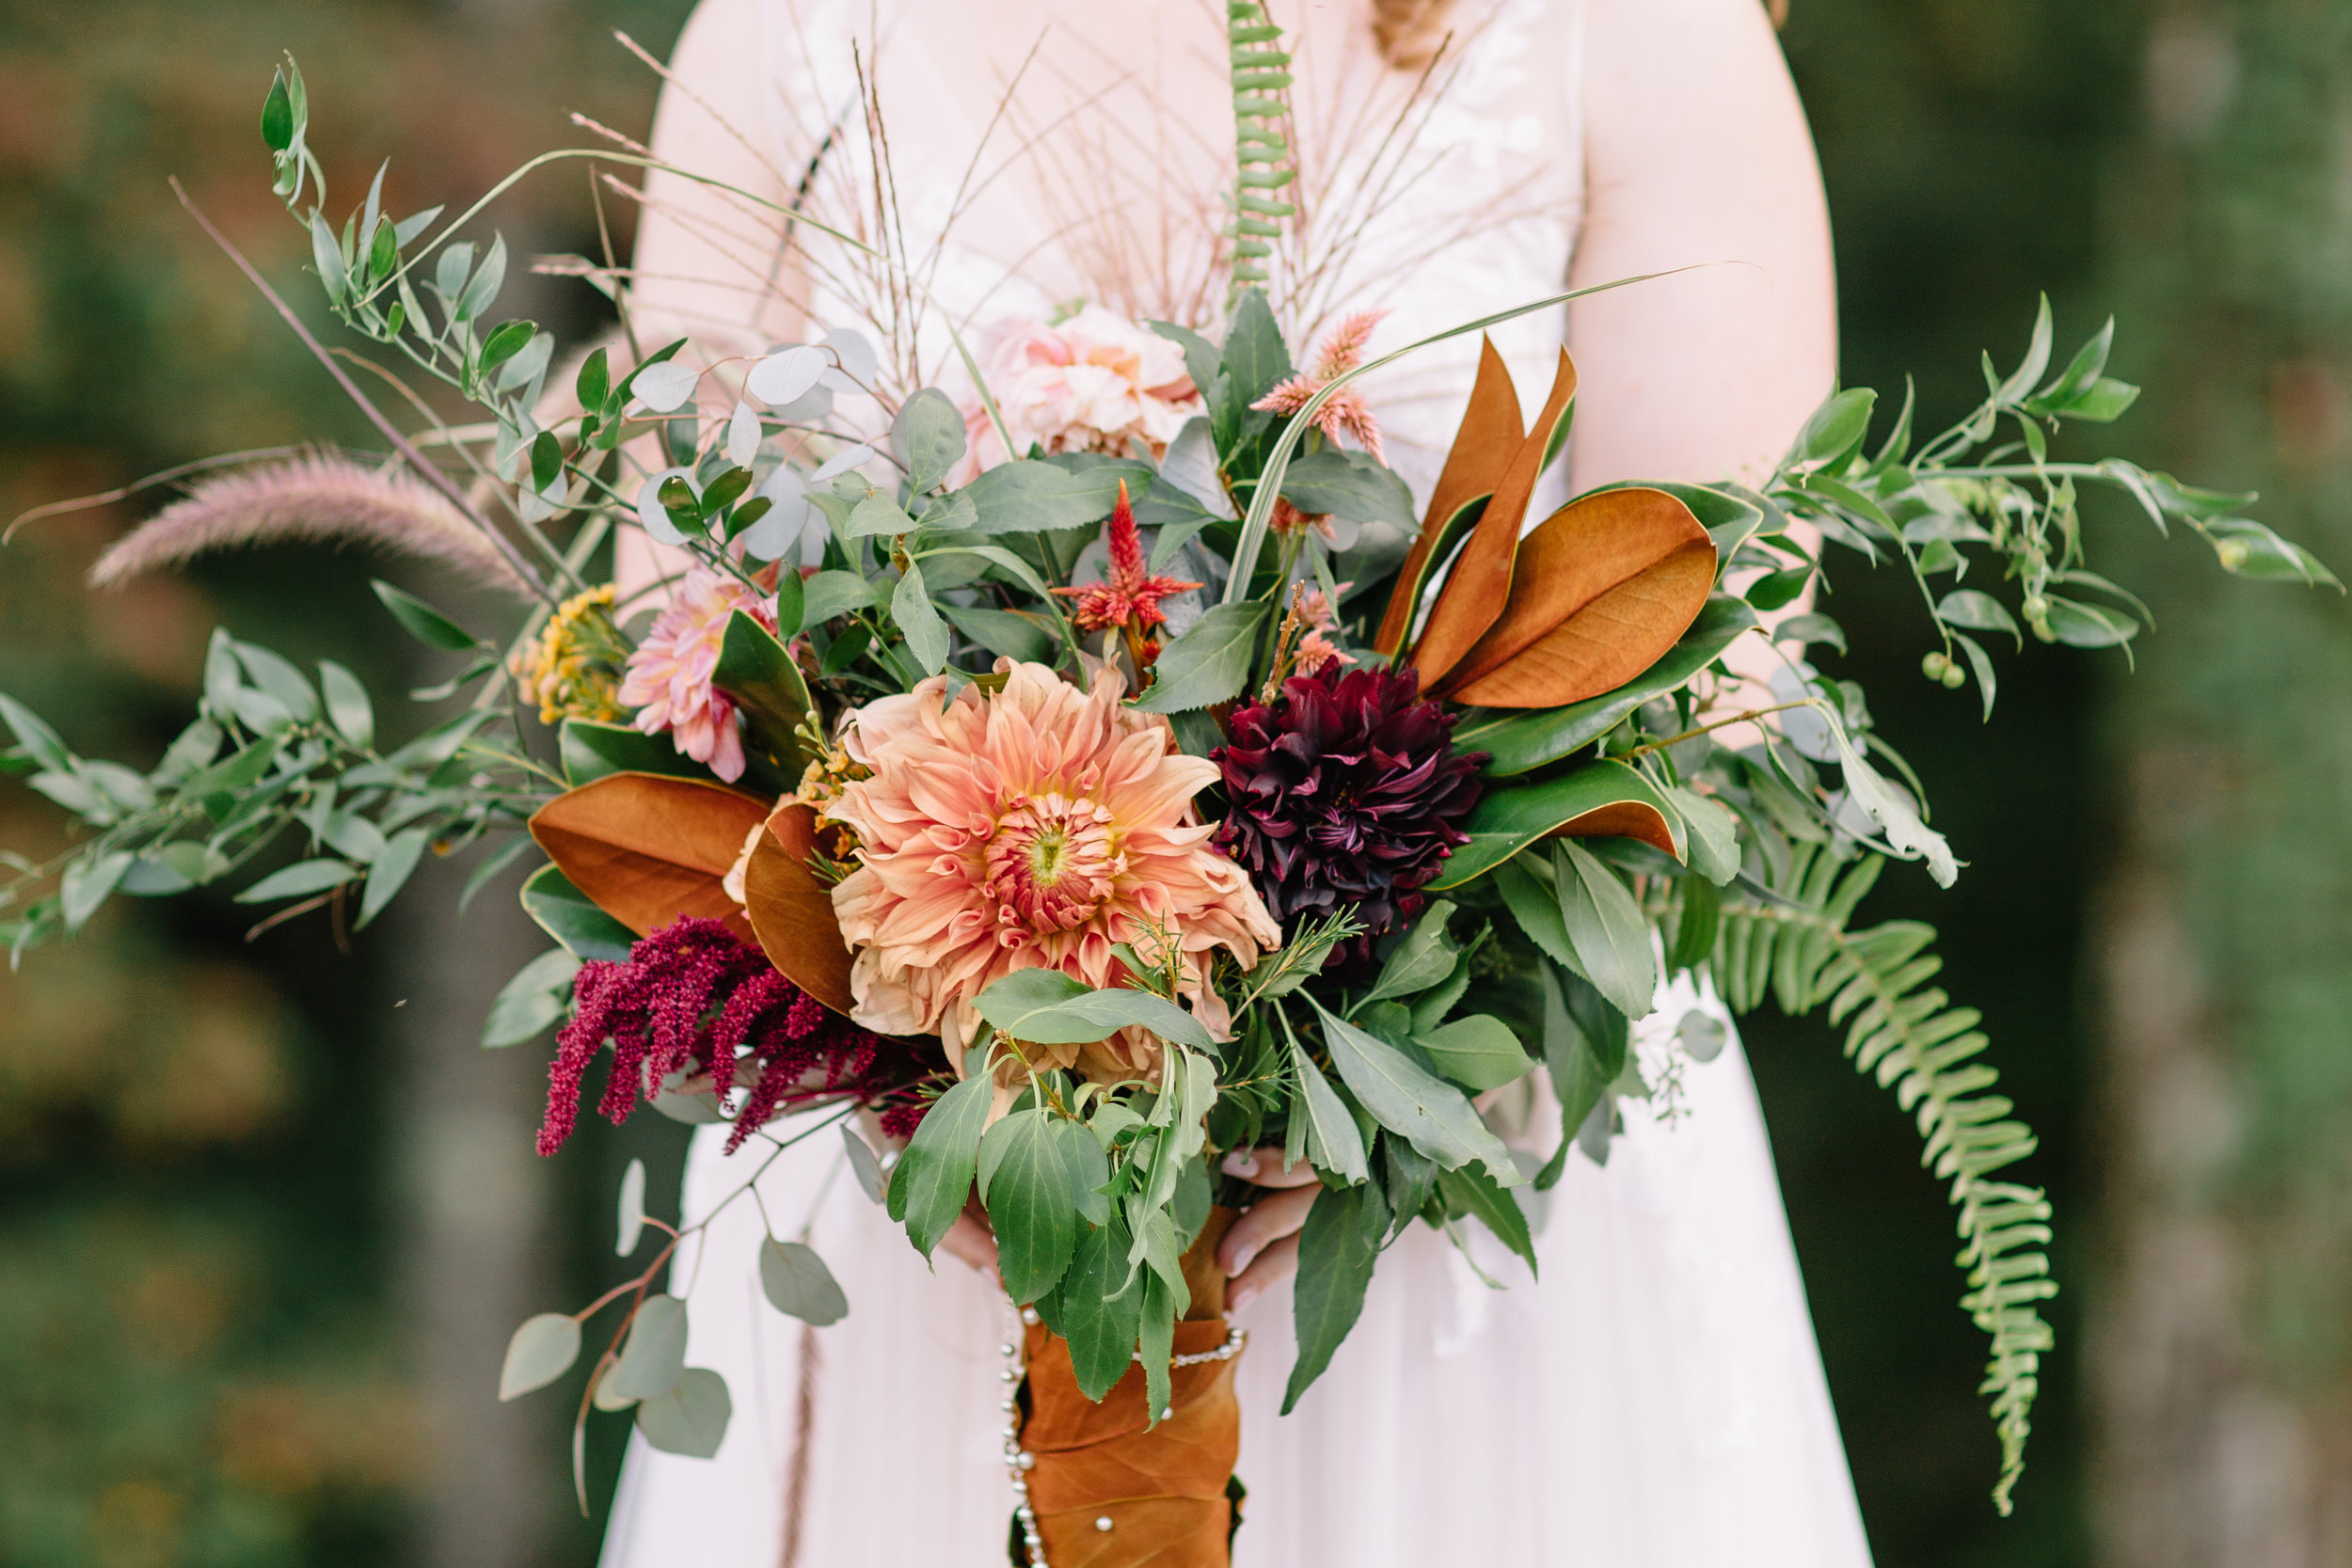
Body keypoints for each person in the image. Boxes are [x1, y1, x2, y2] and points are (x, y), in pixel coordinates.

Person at [598, 0, 1870, 1562]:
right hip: (941, 1219)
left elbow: (1714, 681)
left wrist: (1368, 1071)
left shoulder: (1630, 32)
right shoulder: (782, 32)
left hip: (1466, 1199)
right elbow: (688, 645)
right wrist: (908, 1064)